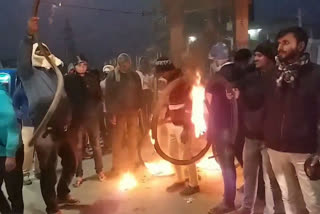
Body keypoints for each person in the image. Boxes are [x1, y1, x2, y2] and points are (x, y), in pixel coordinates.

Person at [17, 17, 78, 214]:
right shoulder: (29, 74)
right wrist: (29, 36)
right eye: (40, 51)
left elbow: (65, 96)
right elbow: (23, 61)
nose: (45, 54)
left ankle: (62, 192)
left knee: (71, 161)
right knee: (48, 169)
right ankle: (52, 206)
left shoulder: (55, 74)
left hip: (62, 127)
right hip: (44, 129)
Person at [261, 27, 320, 214]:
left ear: (301, 45)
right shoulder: (271, 74)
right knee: (288, 197)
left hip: (305, 150)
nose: (280, 47)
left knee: (313, 201)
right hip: (275, 148)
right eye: (279, 43)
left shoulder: (315, 74)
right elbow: (265, 106)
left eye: (286, 43)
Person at [228, 41, 284, 214]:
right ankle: (246, 208)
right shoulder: (251, 77)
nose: (256, 58)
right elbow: (240, 93)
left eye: (260, 55)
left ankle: (271, 210)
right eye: (255, 55)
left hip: (269, 138)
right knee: (249, 174)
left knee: (270, 179)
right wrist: (234, 91)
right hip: (250, 136)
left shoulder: (280, 78)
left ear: (270, 57)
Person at [207, 44, 245, 214]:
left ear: (216, 59)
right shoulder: (241, 71)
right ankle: (258, 193)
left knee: (227, 166)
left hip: (223, 127)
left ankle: (228, 202)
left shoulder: (218, 77)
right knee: (245, 162)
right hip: (240, 126)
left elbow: (210, 102)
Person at [154, 57, 201, 196]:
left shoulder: (183, 82)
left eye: (162, 73)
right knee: (172, 153)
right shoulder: (170, 82)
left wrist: (187, 128)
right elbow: (172, 104)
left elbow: (190, 105)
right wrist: (166, 117)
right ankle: (180, 179)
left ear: (169, 70)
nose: (161, 76)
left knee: (187, 154)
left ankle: (193, 184)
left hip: (183, 125)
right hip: (172, 124)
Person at [64, 55, 106, 187]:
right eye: (79, 65)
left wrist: (97, 111)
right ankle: (79, 174)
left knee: (96, 145)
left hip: (91, 117)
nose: (82, 67)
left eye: (84, 65)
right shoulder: (69, 80)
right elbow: (65, 99)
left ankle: (100, 170)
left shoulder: (92, 78)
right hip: (76, 119)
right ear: (75, 66)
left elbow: (99, 96)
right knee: (78, 148)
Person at [105, 53, 143, 177]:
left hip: (132, 111)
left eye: (127, 63)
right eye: (122, 64)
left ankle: (134, 161)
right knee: (118, 140)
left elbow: (139, 92)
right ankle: (117, 165)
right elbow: (108, 96)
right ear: (119, 64)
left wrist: (139, 107)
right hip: (119, 113)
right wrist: (111, 114)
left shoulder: (134, 75)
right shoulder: (112, 76)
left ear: (130, 63)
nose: (125, 66)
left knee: (133, 137)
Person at [0, 84, 24, 214]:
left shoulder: (1, 98)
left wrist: (10, 154)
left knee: (14, 192)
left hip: (10, 152)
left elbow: (13, 125)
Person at [12, 80, 40, 185]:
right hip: (27, 123)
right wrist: (22, 116)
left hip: (40, 122)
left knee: (40, 149)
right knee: (28, 150)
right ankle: (25, 173)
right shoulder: (22, 88)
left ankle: (38, 170)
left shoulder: (40, 86)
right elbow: (14, 105)